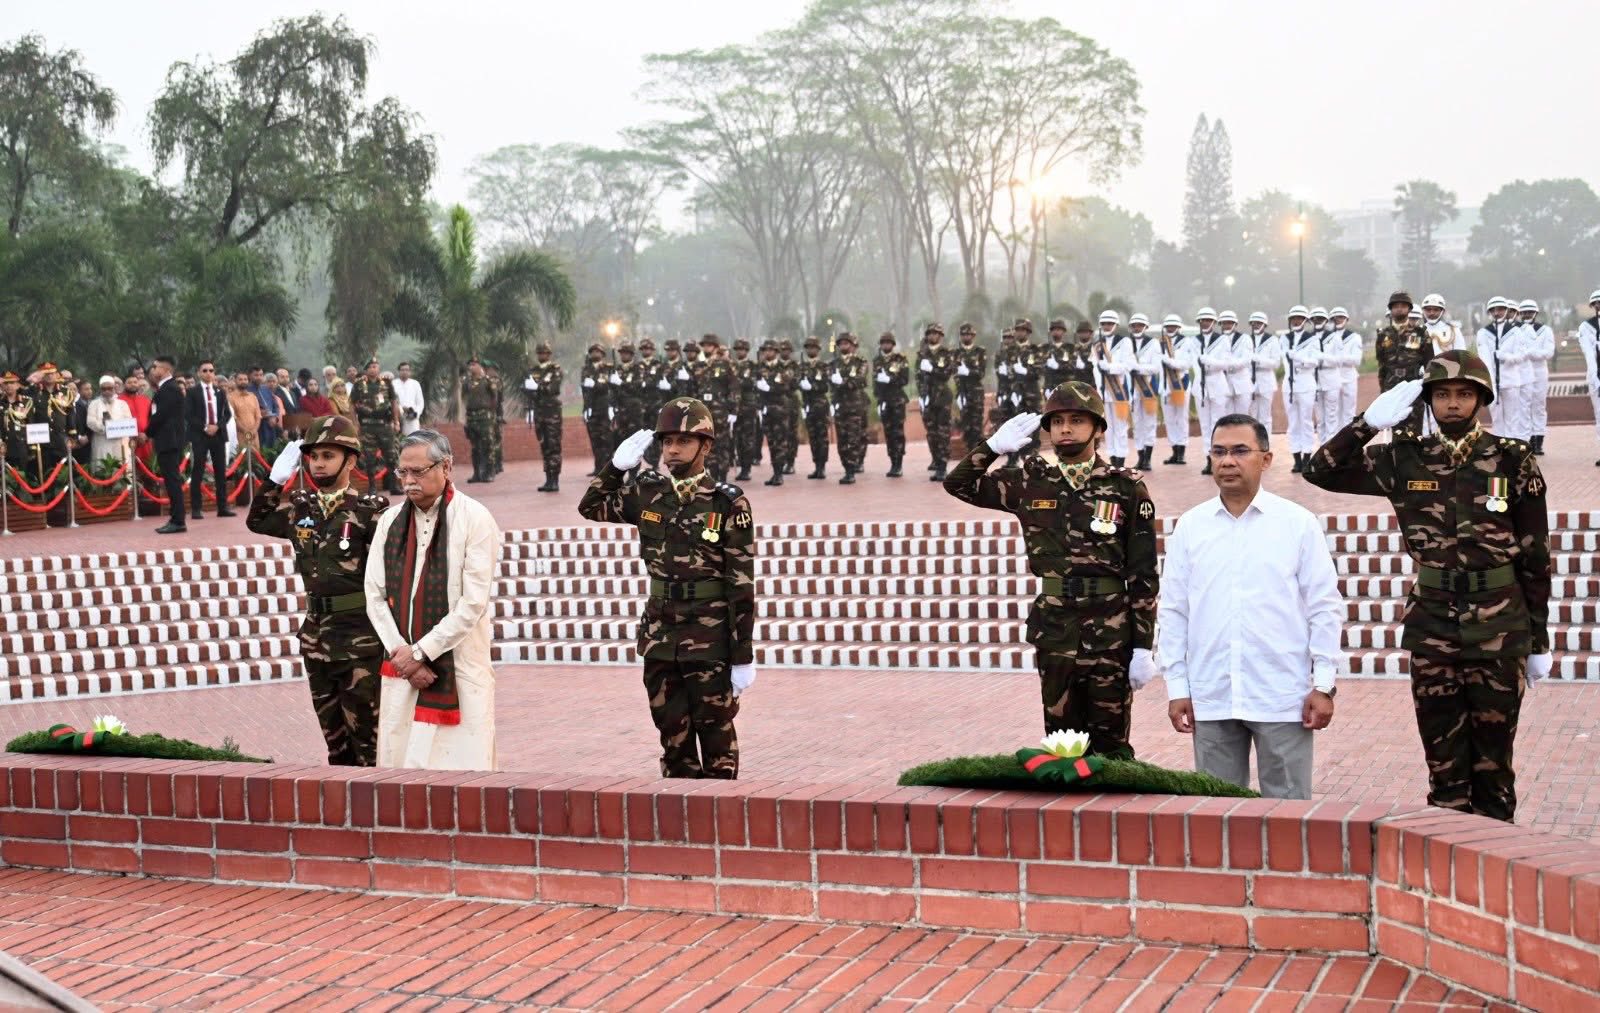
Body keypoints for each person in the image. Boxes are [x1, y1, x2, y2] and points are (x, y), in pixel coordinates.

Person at [1302, 351, 1550, 822]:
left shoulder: (1513, 458)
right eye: (1442, 395)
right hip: (1433, 624)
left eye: (1463, 394)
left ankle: (1495, 865)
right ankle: (1447, 864)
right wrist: (1366, 423)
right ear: (1429, 402)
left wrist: (1538, 639)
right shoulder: (1405, 457)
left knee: (1494, 765)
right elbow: (1320, 470)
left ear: (1480, 399)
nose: (1453, 404)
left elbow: (1536, 555)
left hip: (1500, 624)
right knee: (1443, 763)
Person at [944, 381, 1158, 758]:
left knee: (1111, 746)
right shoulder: (1030, 480)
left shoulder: (1125, 488)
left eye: (1077, 420)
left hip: (1109, 630)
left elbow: (1143, 574)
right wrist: (991, 448)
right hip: (1056, 627)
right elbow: (958, 485)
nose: (1065, 428)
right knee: (1063, 745)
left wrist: (1142, 646)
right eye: (1056, 421)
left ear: (1098, 428)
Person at [1160, 414, 1343, 799]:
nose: (1228, 461)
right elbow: (1174, 611)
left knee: (1290, 815)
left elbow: (1324, 607)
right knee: (1218, 816)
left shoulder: (1297, 524)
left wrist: (1324, 683)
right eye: (1219, 452)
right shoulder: (1192, 527)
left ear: (1267, 459)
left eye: (1240, 451)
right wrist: (1177, 686)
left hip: (1281, 696)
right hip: (1212, 694)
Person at [579, 399, 755, 778]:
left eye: (682, 441)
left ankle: (721, 825)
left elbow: (741, 583)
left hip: (709, 636)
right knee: (672, 737)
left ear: (705, 446)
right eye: (666, 441)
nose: (671, 449)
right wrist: (615, 468)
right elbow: (590, 506)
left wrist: (742, 656)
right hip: (660, 634)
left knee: (716, 738)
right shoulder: (647, 492)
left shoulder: (727, 501)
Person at [247, 417, 390, 765]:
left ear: (350, 460)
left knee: (370, 745)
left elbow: (391, 578)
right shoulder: (300, 508)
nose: (319, 463)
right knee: (336, 746)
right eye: (313, 456)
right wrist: (275, 479)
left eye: (328, 455)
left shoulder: (372, 511)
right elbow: (258, 519)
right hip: (316, 639)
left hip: (360, 641)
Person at [365, 430, 502, 770]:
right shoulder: (389, 522)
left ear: (447, 467)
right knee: (401, 769)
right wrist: (403, 654)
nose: (409, 481)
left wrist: (421, 652)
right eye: (402, 472)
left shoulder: (474, 518)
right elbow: (375, 595)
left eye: (418, 472)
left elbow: (472, 604)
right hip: (402, 670)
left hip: (458, 665)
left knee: (463, 773)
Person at [1374, 291, 1432, 436]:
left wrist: (1428, 389)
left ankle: (1415, 458)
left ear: (1409, 309)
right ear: (1391, 309)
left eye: (1403, 305)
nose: (1399, 308)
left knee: (1415, 430)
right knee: (1396, 430)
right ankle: (1398, 458)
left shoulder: (1420, 333)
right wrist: (1383, 391)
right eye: (1396, 306)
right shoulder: (1383, 335)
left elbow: (1430, 363)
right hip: (1392, 388)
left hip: (1413, 386)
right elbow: (1382, 366)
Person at [184, 359, 235, 520]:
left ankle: (222, 507)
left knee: (220, 472)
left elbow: (227, 414)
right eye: (205, 370)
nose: (208, 373)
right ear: (199, 373)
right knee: (197, 471)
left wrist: (217, 426)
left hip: (218, 435)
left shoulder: (220, 392)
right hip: (200, 435)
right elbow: (188, 415)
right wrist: (205, 427)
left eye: (211, 370)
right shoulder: (192, 392)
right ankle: (196, 509)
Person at [146, 356, 188, 534]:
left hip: (169, 440)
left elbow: (161, 415)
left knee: (172, 481)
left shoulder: (169, 389)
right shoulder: (165, 389)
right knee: (171, 480)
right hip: (167, 440)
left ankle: (178, 520)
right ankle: (175, 517)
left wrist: (147, 432)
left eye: (155, 367)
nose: (152, 370)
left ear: (164, 369)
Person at [351, 359, 403, 494]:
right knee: (370, 458)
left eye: (376, 367)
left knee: (391, 456)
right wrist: (355, 424)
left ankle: (394, 485)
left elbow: (393, 402)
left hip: (384, 426)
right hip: (367, 426)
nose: (374, 369)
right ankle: (372, 487)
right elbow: (353, 404)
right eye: (371, 367)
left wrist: (396, 421)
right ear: (367, 369)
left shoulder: (386, 383)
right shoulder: (359, 384)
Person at [1281, 305, 1322, 473]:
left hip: (1306, 384)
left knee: (1306, 422)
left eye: (1299, 318)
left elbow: (1315, 361)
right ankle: (1296, 458)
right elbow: (1283, 360)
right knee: (1293, 423)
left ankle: (1307, 457)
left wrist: (1299, 359)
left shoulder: (1312, 339)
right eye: (1294, 318)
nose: (1296, 321)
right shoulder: (1284, 338)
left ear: (1305, 321)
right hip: (1289, 385)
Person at [1091, 310, 1134, 467]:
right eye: (1104, 324)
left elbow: (1128, 365)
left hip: (1119, 391)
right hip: (1104, 392)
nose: (1107, 326)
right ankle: (1112, 460)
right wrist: (1100, 385)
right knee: (1108, 428)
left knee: (1121, 427)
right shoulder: (1096, 344)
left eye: (1110, 323)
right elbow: (1095, 367)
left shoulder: (1124, 342)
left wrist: (1109, 367)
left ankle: (1121, 460)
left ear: (1115, 325)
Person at [694, 334, 739, 483]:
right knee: (706, 446)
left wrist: (733, 410)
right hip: (703, 413)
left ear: (715, 347)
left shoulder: (725, 364)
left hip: (720, 412)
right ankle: (711, 476)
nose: (706, 347)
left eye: (709, 345)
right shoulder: (698, 365)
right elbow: (694, 389)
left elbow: (734, 388)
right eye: (704, 345)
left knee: (722, 445)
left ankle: (723, 477)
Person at [917, 323, 957, 481]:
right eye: (930, 333)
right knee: (932, 433)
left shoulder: (946, 353)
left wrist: (932, 368)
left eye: (935, 333)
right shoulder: (922, 354)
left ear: (940, 336)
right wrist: (921, 395)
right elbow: (918, 377)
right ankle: (936, 462)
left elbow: (947, 373)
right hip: (928, 397)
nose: (932, 336)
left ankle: (942, 466)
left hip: (942, 398)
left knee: (943, 433)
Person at [830, 332, 869, 484]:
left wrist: (843, 382)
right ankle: (846, 466)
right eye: (841, 344)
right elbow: (831, 385)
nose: (844, 346)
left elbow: (859, 380)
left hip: (855, 406)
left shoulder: (860, 362)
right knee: (842, 440)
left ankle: (851, 469)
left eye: (847, 343)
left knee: (854, 438)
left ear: (853, 346)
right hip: (840, 406)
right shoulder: (834, 364)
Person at [1158, 314, 1196, 465]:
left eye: (1173, 326)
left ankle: (1182, 451)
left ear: (1179, 327)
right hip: (1165, 386)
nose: (1170, 328)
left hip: (1181, 384)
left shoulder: (1186, 342)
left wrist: (1169, 361)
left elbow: (1186, 364)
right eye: (1168, 326)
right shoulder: (1160, 343)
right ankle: (1174, 450)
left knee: (1181, 418)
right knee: (1169, 419)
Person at [756, 340, 795, 487]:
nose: (768, 352)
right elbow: (756, 387)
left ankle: (779, 473)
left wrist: (769, 388)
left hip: (780, 410)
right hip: (766, 409)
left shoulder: (783, 367)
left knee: (780, 442)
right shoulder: (760, 368)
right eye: (766, 350)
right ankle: (775, 472)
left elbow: (786, 386)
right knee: (771, 442)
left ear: (776, 352)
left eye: (771, 350)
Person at [872, 332, 909, 478]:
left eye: (888, 343)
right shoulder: (877, 360)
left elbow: (904, 379)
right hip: (884, 401)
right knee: (888, 433)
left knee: (897, 433)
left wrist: (890, 379)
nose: (885, 345)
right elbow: (875, 383)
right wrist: (878, 400)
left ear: (892, 345)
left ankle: (898, 463)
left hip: (897, 400)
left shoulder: (900, 359)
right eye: (883, 343)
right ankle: (892, 462)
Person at [528, 341, 564, 492]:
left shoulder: (555, 369)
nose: (542, 355)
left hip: (552, 414)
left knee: (553, 446)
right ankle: (548, 478)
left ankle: (555, 479)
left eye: (545, 353)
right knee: (544, 446)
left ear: (549, 354)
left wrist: (538, 386)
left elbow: (553, 388)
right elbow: (529, 392)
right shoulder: (533, 370)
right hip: (539, 412)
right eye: (540, 353)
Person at [1519, 300, 1553, 455]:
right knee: (1524, 407)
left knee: (1539, 407)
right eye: (1524, 312)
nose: (1527, 315)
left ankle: (1538, 442)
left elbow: (1549, 352)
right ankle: (1527, 441)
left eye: (1530, 312)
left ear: (1536, 313)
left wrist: (1531, 353)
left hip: (1539, 372)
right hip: (1522, 372)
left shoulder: (1545, 330)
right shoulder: (1515, 330)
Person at [797, 336, 832, 479]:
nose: (810, 349)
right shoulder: (802, 367)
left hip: (820, 405)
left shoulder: (823, 366)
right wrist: (801, 385)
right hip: (808, 405)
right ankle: (816, 465)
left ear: (818, 349)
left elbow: (825, 385)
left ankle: (822, 466)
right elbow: (795, 382)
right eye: (808, 347)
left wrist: (812, 386)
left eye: (813, 347)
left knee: (822, 437)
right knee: (812, 437)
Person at [460, 358, 499, 484]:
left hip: (485, 417)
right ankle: (477, 473)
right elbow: (464, 399)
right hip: (472, 416)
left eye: (473, 364)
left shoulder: (488, 380)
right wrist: (464, 418)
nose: (471, 367)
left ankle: (489, 472)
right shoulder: (467, 382)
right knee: (475, 446)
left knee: (488, 445)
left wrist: (492, 415)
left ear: (480, 366)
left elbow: (494, 398)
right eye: (470, 365)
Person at [953, 323, 987, 457]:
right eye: (963, 335)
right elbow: (955, 374)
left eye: (969, 334)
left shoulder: (980, 351)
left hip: (976, 393)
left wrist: (968, 372)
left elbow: (981, 373)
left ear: (973, 336)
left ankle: (977, 454)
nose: (966, 337)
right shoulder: (956, 353)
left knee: (977, 426)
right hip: (963, 393)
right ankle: (969, 452)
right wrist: (959, 393)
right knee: (966, 426)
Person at [581, 343, 613, 476]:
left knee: (606, 439)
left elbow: (608, 386)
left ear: (602, 354)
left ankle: (607, 468)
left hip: (604, 407)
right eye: (592, 352)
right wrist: (585, 409)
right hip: (590, 407)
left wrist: (595, 385)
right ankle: (597, 467)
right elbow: (584, 388)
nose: (595, 354)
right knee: (594, 440)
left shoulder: (608, 368)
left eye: (597, 352)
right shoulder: (586, 369)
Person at [1328, 308, 1363, 431]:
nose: (1338, 320)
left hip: (1349, 377)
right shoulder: (1326, 338)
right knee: (1332, 412)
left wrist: (1338, 358)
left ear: (1346, 319)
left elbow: (1356, 360)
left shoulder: (1354, 337)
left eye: (1341, 317)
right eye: (1335, 318)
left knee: (1349, 411)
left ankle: (1348, 439)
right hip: (1331, 377)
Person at [85, 376, 132, 465]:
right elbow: (90, 422)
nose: (107, 391)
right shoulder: (93, 404)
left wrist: (115, 427)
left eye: (109, 388)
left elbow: (128, 421)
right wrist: (104, 426)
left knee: (121, 470)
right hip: (102, 442)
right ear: (100, 390)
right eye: (104, 389)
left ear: (114, 388)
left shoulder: (123, 404)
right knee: (102, 469)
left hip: (120, 442)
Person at [1580, 290, 1600, 467]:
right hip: (1596, 375)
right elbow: (1589, 354)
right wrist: (1595, 379)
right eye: (1597, 303)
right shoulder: (1586, 327)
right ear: (1593, 306)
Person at [227, 371, 262, 457]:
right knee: (241, 459)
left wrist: (254, 430)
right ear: (235, 381)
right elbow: (233, 418)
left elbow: (258, 416)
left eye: (245, 379)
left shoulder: (252, 396)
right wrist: (245, 431)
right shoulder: (230, 397)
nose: (243, 381)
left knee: (256, 460)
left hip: (254, 434)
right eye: (240, 379)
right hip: (239, 434)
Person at [391, 361, 424, 436]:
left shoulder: (415, 384)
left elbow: (420, 403)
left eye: (407, 370)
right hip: (398, 418)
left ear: (410, 372)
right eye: (402, 370)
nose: (405, 372)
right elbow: (392, 401)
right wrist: (401, 410)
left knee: (413, 440)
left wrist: (416, 413)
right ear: (399, 371)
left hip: (412, 418)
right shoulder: (393, 384)